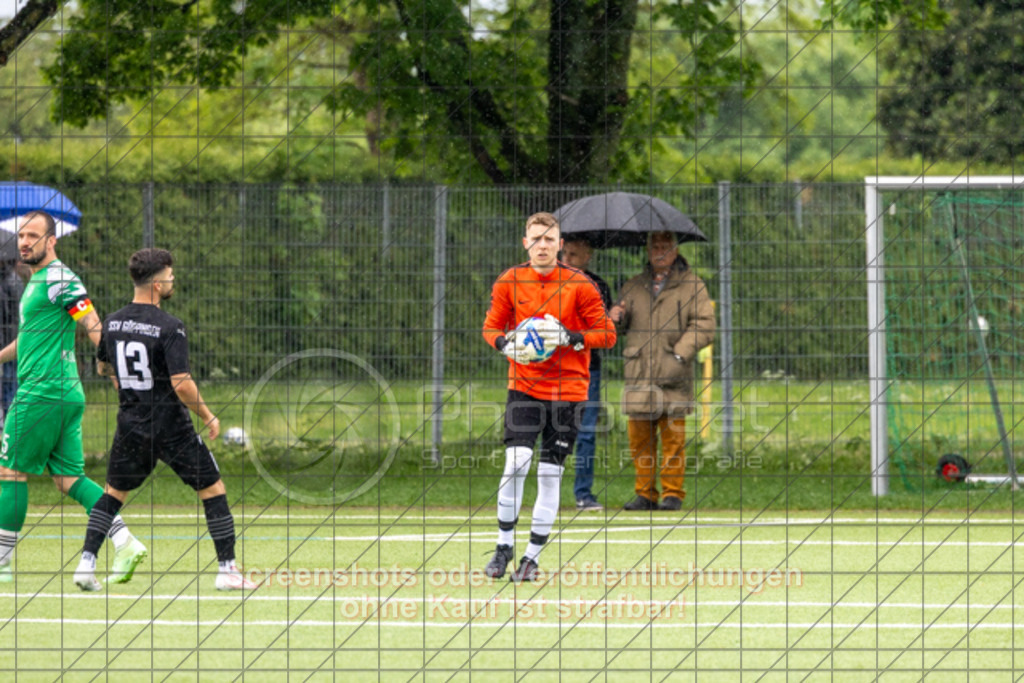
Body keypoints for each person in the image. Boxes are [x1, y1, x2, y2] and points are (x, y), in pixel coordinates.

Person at [74, 248, 255, 591]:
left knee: (112, 495)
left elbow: (103, 367)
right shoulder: (170, 326)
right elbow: (181, 383)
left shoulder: (111, 322)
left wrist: (129, 391)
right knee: (212, 488)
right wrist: (207, 414)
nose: (173, 280)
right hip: (171, 426)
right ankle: (227, 570)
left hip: (131, 424)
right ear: (157, 283)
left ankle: (87, 563)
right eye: (170, 275)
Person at [0, 211, 143, 583]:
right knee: (67, 478)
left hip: (41, 391)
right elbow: (29, 339)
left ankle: (1, 560)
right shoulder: (38, 282)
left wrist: (113, 368)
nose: (26, 241)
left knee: (9, 471)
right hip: (63, 391)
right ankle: (125, 540)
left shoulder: (60, 278)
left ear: (52, 241)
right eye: (22, 235)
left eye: (34, 235)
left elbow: (91, 322)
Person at [482, 212, 616, 582]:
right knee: (516, 463)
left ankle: (531, 558)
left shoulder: (581, 285)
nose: (543, 244)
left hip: (569, 390)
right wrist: (505, 344)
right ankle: (503, 547)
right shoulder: (509, 280)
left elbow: (606, 334)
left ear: (560, 245)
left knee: (548, 473)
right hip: (523, 385)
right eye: (536, 238)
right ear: (526, 243)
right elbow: (491, 326)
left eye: (549, 239)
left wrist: (570, 337)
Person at [609, 230, 715, 511]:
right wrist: (614, 317)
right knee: (639, 440)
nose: (660, 250)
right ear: (647, 249)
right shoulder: (631, 286)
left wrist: (681, 352)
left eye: (665, 245)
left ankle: (672, 494)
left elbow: (705, 325)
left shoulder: (694, 286)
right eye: (654, 245)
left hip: (674, 373)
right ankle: (644, 494)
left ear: (676, 250)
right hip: (638, 373)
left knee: (673, 440)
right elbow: (616, 330)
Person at [559, 237, 613, 511]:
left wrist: (611, 319)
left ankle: (583, 494)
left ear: (588, 256)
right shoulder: (546, 282)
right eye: (565, 253)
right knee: (550, 429)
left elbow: (604, 330)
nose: (567, 259)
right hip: (551, 368)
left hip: (587, 369)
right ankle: (549, 493)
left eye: (575, 255)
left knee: (587, 432)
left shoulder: (599, 285)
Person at [0, 260, 26, 418]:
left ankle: (11, 417)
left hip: (9, 339)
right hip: (14, 336)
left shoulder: (7, 281)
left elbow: (6, 313)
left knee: (9, 381)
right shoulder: (14, 279)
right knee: (11, 381)